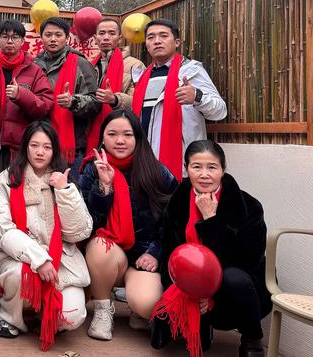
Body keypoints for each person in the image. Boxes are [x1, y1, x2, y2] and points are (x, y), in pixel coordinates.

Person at [152, 140, 270, 357]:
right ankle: (198, 326)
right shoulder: (176, 204)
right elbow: (169, 253)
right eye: (196, 167)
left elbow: (247, 260)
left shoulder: (249, 206)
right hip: (189, 284)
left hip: (232, 288)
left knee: (234, 277)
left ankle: (252, 339)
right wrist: (192, 291)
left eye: (212, 167)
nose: (204, 174)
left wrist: (210, 220)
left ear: (223, 170)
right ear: (186, 169)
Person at [0, 121, 92, 350]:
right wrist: (39, 258)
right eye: (34, 145)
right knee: (19, 274)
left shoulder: (64, 181)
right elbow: (2, 230)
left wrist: (65, 191)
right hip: (16, 257)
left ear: (54, 150)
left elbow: (79, 232)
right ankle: (9, 317)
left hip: (60, 261)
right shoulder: (5, 181)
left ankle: (44, 313)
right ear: (25, 147)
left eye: (47, 146)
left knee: (72, 316)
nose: (40, 152)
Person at [75, 109, 177, 341]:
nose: (120, 140)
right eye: (112, 134)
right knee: (99, 245)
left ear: (138, 138)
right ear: (103, 138)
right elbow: (85, 223)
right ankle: (103, 308)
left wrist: (155, 252)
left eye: (127, 135)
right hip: (108, 257)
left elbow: (174, 220)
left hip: (143, 258)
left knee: (148, 304)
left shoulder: (156, 171)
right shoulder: (91, 169)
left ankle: (136, 310)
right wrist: (104, 189)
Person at [132, 19, 226, 179]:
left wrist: (197, 97)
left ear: (176, 42)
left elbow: (220, 111)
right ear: (146, 44)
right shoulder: (142, 78)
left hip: (179, 164)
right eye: (151, 37)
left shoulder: (191, 71)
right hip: (145, 165)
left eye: (163, 36)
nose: (157, 41)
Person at [0, 20, 54, 179]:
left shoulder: (34, 70)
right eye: (5, 37)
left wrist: (21, 95)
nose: (9, 41)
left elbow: (45, 106)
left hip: (19, 144)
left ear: (22, 41)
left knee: (14, 187)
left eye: (15, 37)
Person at [34, 17, 99, 165]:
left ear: (67, 37)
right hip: (38, 141)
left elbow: (95, 103)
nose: (53, 39)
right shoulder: (34, 64)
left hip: (71, 146)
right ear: (41, 37)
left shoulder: (81, 63)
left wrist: (73, 102)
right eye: (48, 35)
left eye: (58, 35)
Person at [86, 18, 144, 154]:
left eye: (111, 33)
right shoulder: (89, 65)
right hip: (90, 131)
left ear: (120, 38)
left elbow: (139, 102)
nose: (106, 37)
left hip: (121, 134)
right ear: (95, 38)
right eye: (102, 33)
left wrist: (115, 100)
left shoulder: (135, 66)